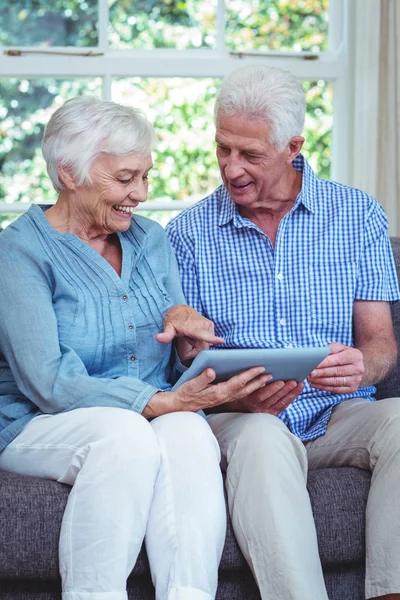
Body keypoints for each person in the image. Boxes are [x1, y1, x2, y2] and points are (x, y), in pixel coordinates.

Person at [0, 96, 272, 600]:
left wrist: (188, 343)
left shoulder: (149, 240)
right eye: (126, 179)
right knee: (126, 434)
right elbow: (48, 381)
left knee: (191, 434)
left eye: (145, 176)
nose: (141, 194)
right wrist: (158, 403)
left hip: (149, 410)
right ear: (69, 173)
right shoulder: (18, 252)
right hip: (36, 419)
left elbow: (173, 355)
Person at [166, 64, 400, 600]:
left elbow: (381, 342)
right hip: (241, 418)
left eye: (250, 155)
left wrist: (365, 364)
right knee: (265, 440)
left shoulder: (357, 215)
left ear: (293, 146)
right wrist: (195, 354)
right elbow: (183, 360)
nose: (231, 168)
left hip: (335, 413)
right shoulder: (186, 234)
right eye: (223, 148)